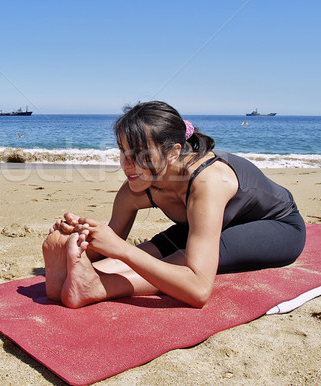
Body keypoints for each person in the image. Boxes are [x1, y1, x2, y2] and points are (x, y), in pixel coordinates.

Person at [43, 101, 306, 309]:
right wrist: (81, 244)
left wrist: (122, 250)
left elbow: (199, 291)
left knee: (178, 262)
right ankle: (66, 280)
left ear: (173, 151)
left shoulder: (209, 181)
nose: (126, 164)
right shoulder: (136, 187)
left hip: (274, 226)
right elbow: (109, 247)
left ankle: (100, 287)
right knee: (149, 253)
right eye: (122, 151)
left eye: (140, 155)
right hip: (202, 224)